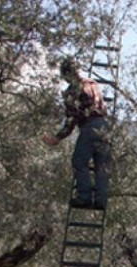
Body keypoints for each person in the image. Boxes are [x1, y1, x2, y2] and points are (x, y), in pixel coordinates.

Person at [42, 57, 110, 210]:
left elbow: (71, 120)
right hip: (104, 126)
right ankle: (101, 200)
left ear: (66, 74)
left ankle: (84, 197)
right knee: (101, 165)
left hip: (89, 126)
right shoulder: (93, 83)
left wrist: (57, 137)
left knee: (79, 161)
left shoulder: (72, 90)